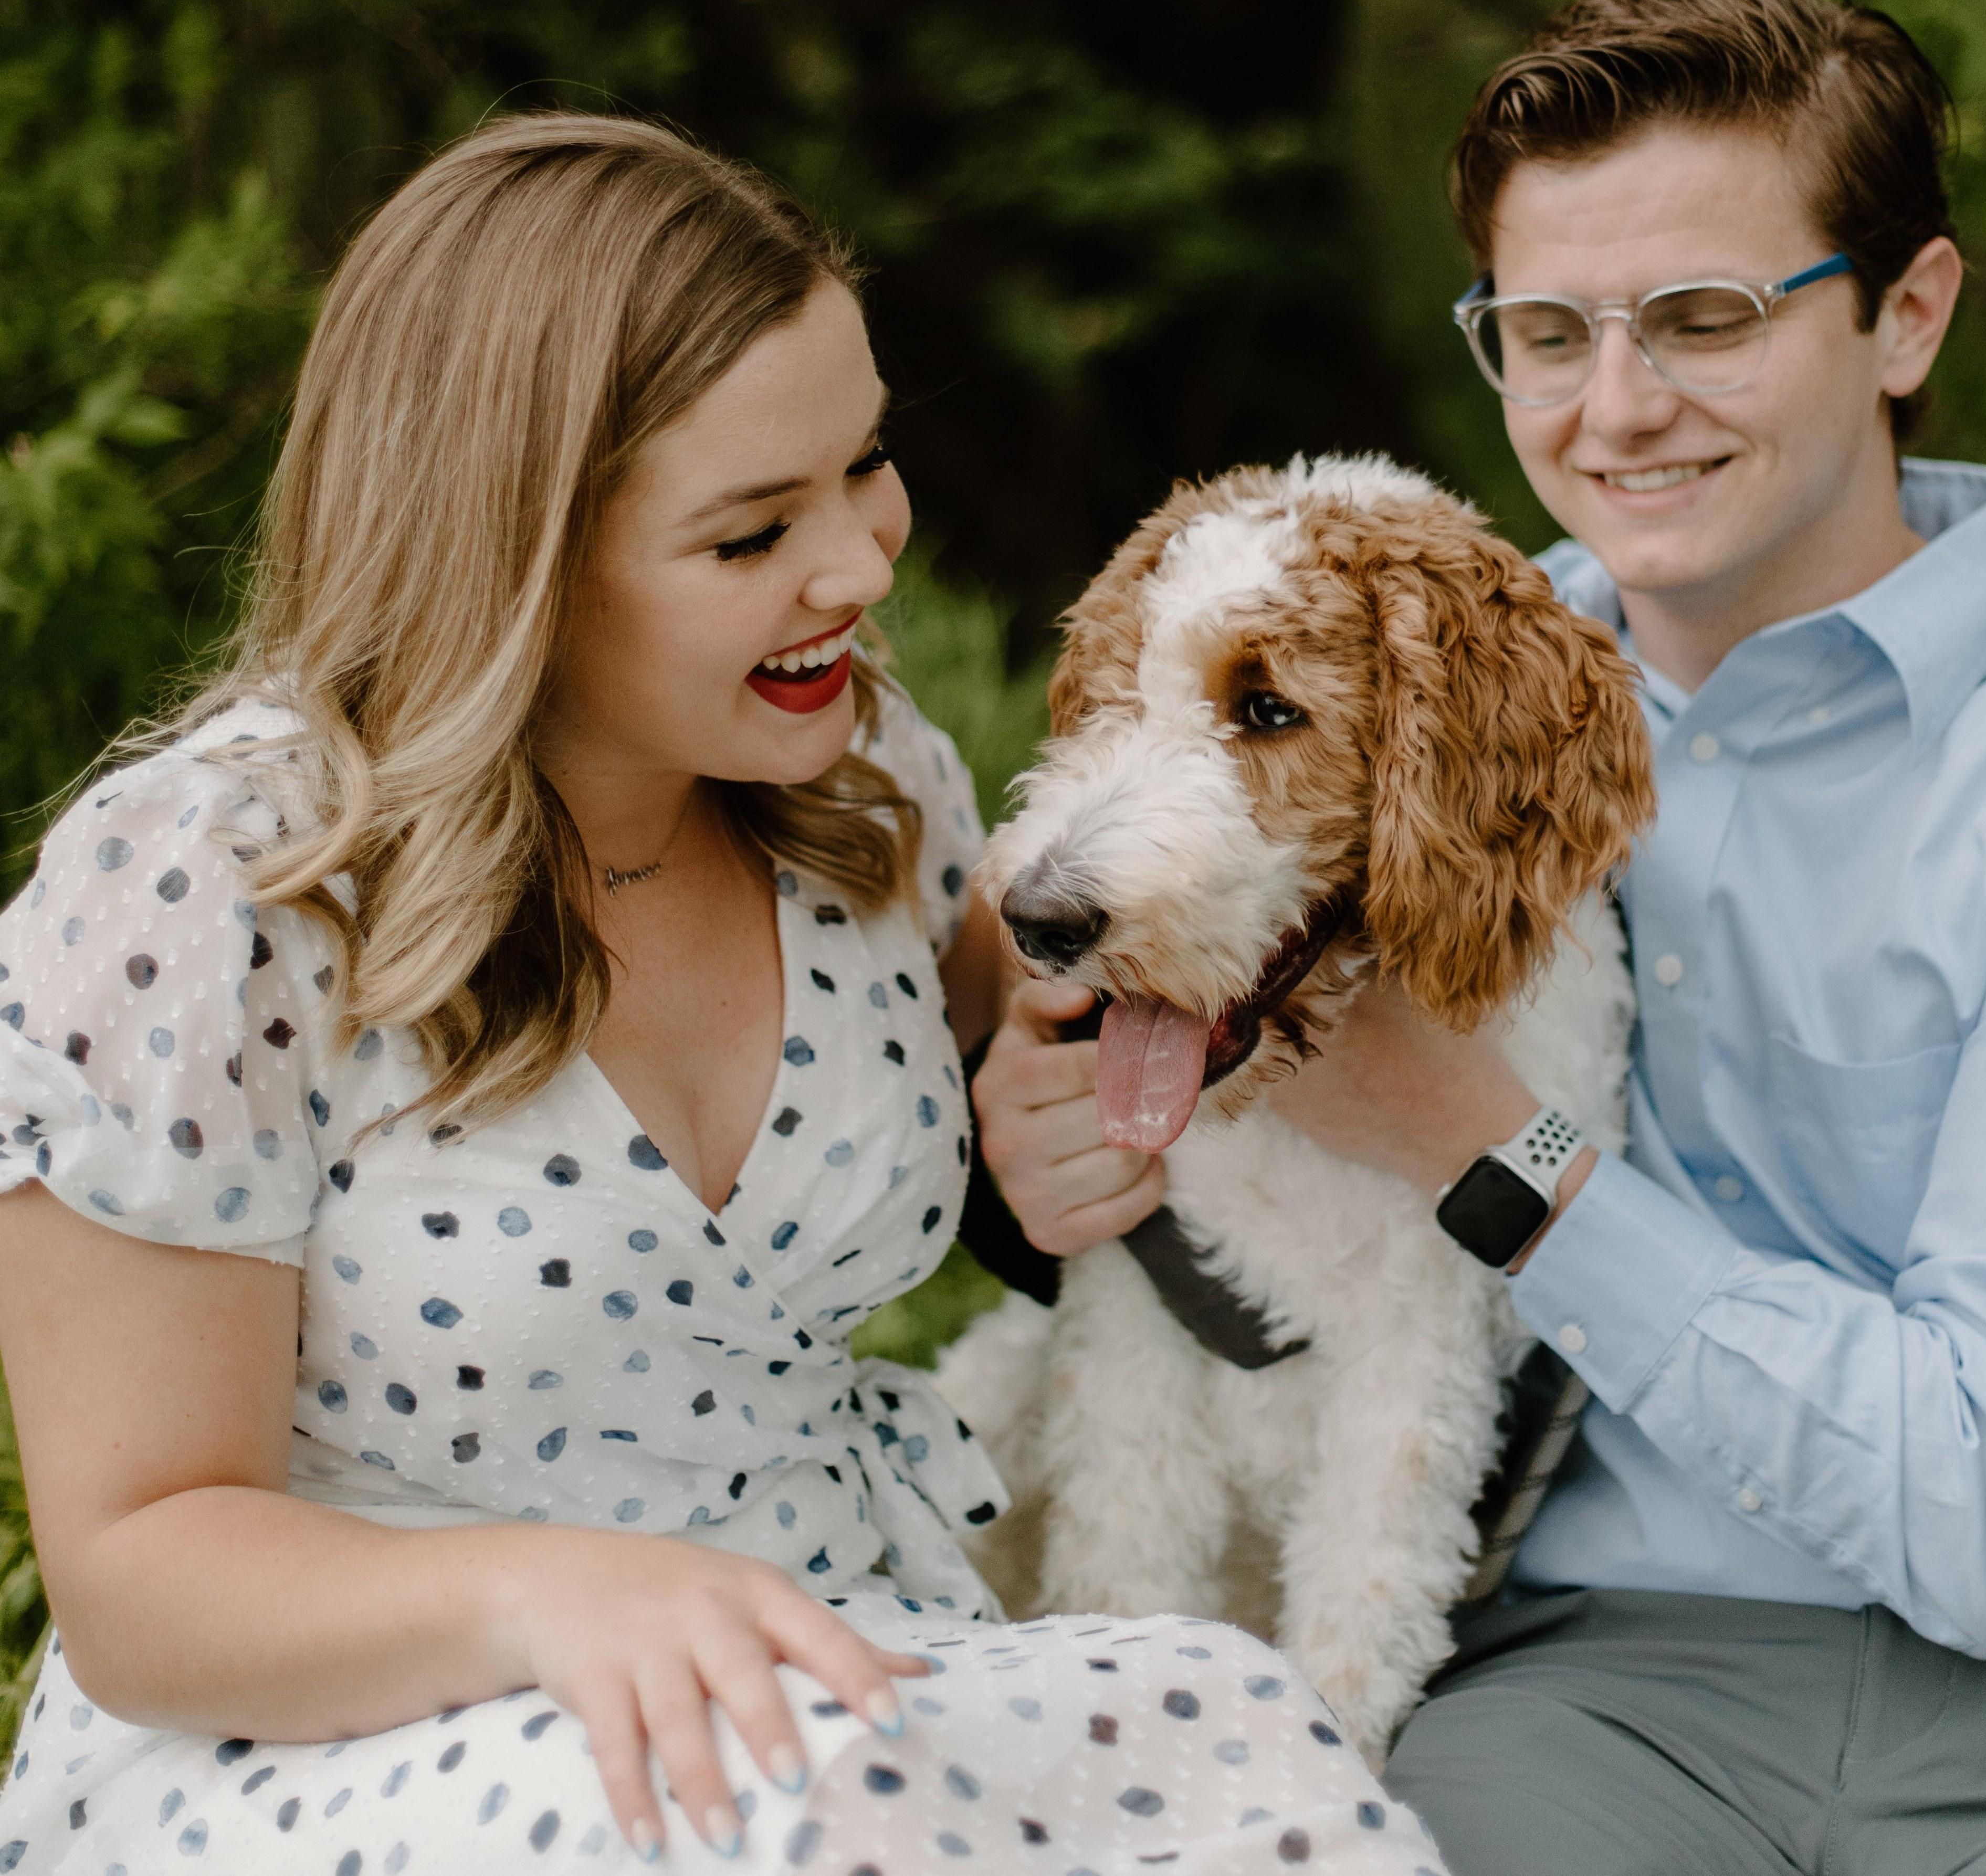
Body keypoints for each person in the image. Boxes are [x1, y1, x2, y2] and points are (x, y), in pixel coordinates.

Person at [973, 0, 1986, 1872]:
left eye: (1701, 318)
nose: (1615, 409)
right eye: (1545, 329)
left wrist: (1485, 1145)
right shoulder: (1428, 688)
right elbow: (1154, 962)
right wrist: (1057, 1154)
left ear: (1904, 314)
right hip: (1587, 1691)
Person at [0, 114, 1444, 1875]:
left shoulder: (858, 788)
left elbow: (1038, 1051)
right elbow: (146, 1570)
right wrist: (555, 1594)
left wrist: (1024, 1108)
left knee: (1251, 1754)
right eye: (754, 529)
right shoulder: (212, 886)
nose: (859, 563)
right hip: (346, 1738)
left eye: (864, 466)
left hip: (824, 1662)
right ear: (514, 555)